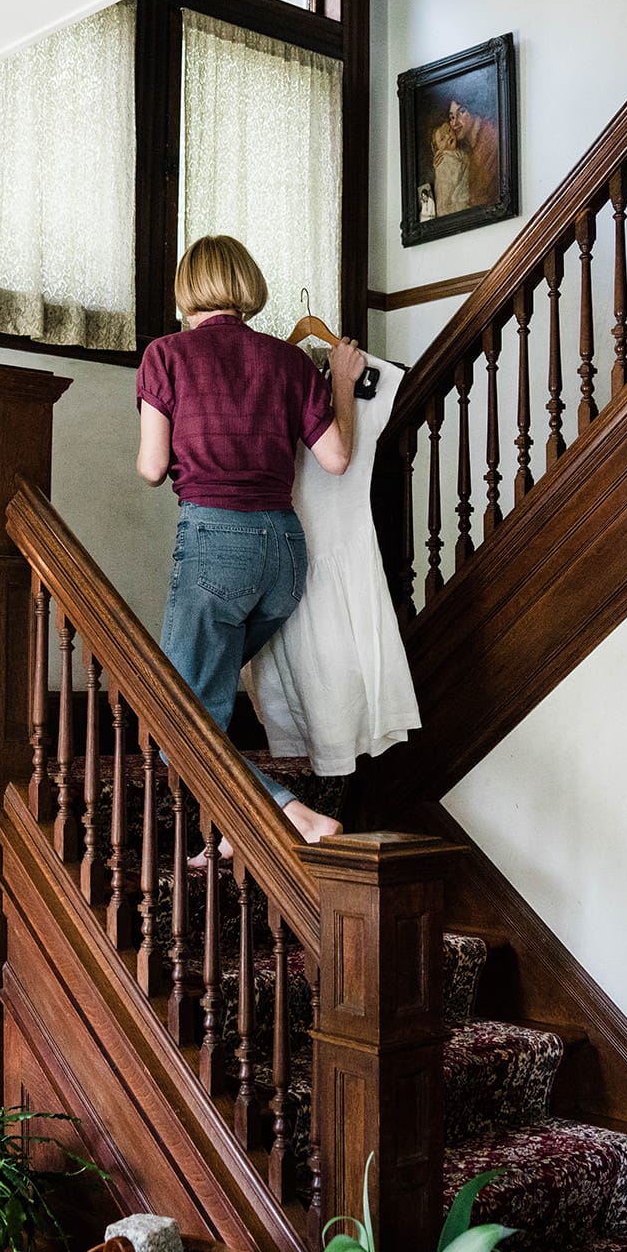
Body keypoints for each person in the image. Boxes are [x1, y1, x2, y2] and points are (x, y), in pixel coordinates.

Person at [135, 236, 364, 844]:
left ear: (187, 289)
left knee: (175, 721)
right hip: (285, 558)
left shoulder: (166, 355)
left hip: (215, 546)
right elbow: (336, 457)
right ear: (247, 288)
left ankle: (288, 812)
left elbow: (151, 467)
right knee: (203, 703)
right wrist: (341, 381)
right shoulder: (288, 363)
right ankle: (224, 836)